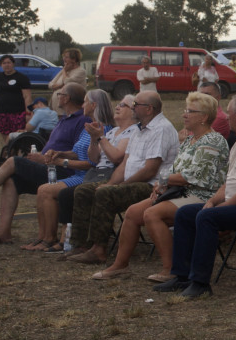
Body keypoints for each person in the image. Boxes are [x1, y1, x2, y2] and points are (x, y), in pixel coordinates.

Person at [155, 91, 236, 299]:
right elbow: (230, 183)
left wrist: (217, 208)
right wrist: (213, 200)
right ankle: (182, 276)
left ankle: (200, 282)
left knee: (206, 216)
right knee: (185, 213)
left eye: (229, 112)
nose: (225, 116)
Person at [93, 92, 229, 281]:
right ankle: (119, 265)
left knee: (152, 213)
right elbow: (175, 169)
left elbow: (194, 176)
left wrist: (162, 181)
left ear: (204, 117)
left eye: (190, 111)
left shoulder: (213, 141)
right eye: (185, 110)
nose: (184, 115)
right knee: (133, 213)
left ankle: (171, 269)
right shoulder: (190, 140)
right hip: (181, 192)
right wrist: (162, 186)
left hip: (204, 196)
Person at [64, 90, 179, 264]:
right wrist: (111, 183)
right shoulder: (140, 129)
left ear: (149, 109)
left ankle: (99, 250)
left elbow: (149, 170)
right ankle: (81, 245)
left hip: (151, 186)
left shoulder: (161, 129)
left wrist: (117, 187)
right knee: (84, 190)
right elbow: (125, 165)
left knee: (105, 194)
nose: (133, 108)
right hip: (133, 181)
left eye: (136, 105)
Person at [0, 83, 89, 246]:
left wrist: (46, 159)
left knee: (13, 161)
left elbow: (81, 152)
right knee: (12, 180)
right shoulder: (63, 119)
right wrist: (40, 156)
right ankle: (3, 232)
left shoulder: (82, 120)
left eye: (59, 94)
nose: (57, 97)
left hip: (64, 171)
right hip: (48, 166)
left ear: (67, 98)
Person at [25, 89, 118, 252]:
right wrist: (61, 152)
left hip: (89, 175)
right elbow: (78, 152)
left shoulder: (105, 128)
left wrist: (62, 162)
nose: (82, 105)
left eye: (85, 102)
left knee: (46, 190)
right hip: (80, 173)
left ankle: (51, 238)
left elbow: (91, 163)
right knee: (43, 190)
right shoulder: (88, 126)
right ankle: (44, 236)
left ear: (93, 105)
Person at [52, 94, 138, 256]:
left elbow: (116, 157)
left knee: (78, 192)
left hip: (113, 175)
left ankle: (82, 243)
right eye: (118, 104)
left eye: (123, 105)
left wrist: (100, 137)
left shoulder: (133, 132)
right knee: (69, 193)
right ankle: (77, 242)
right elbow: (94, 158)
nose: (117, 107)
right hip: (96, 172)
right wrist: (93, 139)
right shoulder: (112, 132)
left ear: (133, 111)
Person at [0, 54, 32, 146]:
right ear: (1, 65)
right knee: (4, 134)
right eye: (4, 63)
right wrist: (1, 95)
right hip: (1, 111)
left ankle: (12, 151)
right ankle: (8, 150)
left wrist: (28, 112)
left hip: (17, 112)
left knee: (16, 136)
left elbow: (27, 96)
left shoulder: (21, 78)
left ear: (13, 64)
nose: (6, 65)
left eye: (9, 62)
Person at [48, 48, 86, 115]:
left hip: (67, 110)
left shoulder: (80, 71)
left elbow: (67, 82)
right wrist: (60, 85)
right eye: (64, 57)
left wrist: (65, 71)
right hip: (55, 109)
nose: (64, 59)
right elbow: (50, 84)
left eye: (66, 57)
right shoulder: (63, 71)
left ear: (74, 59)